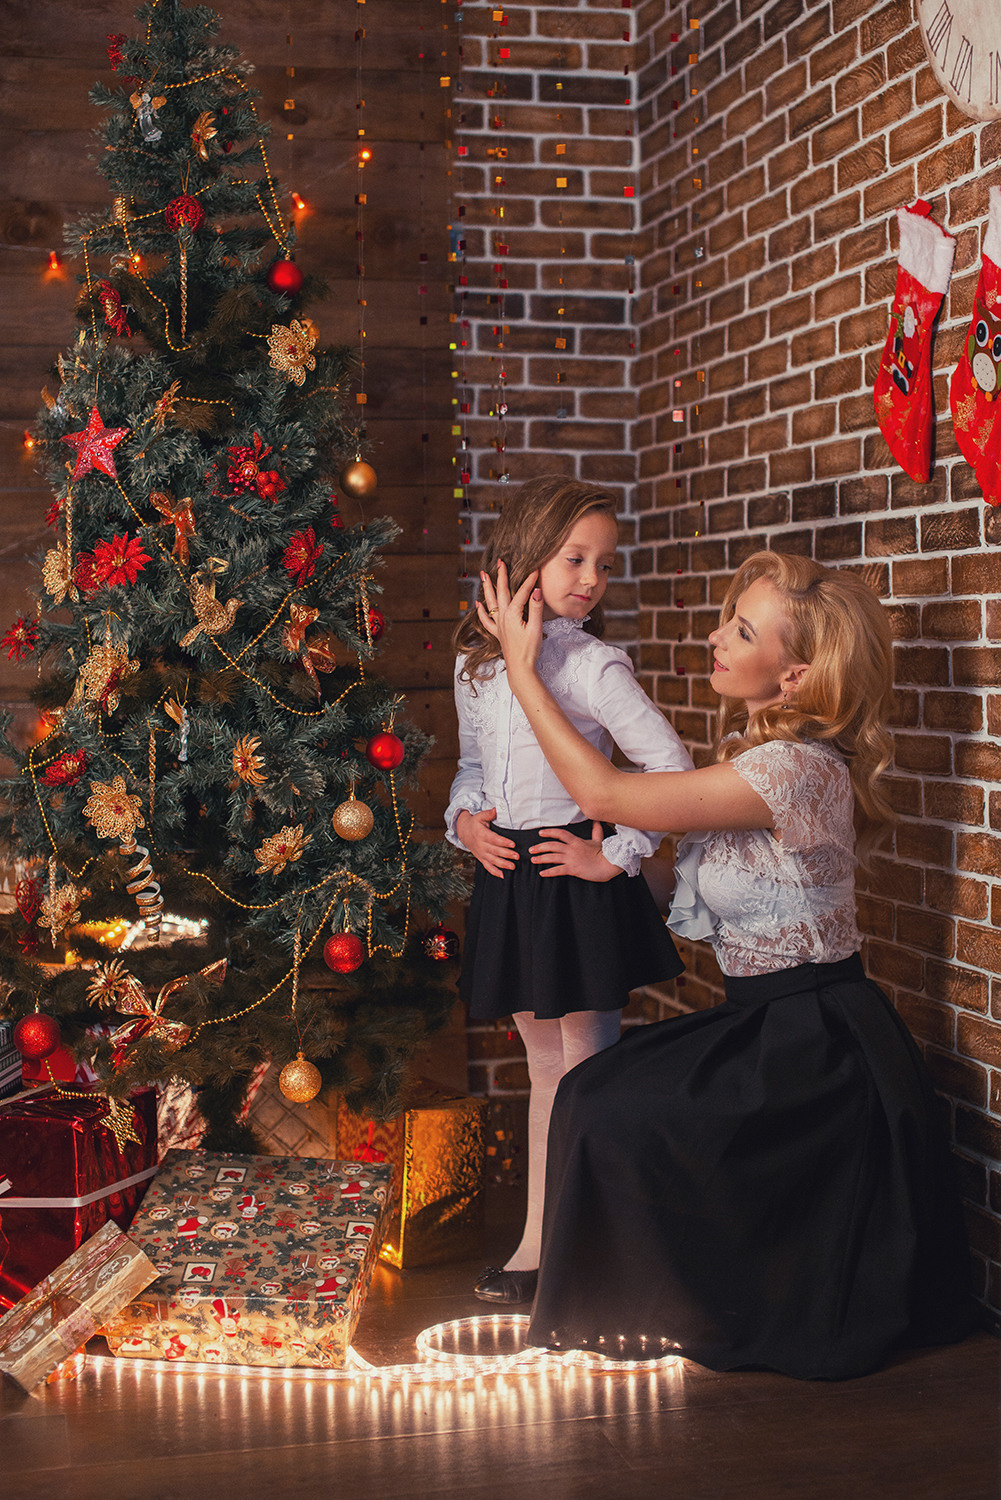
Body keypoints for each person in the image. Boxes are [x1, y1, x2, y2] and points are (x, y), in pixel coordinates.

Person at [478, 549, 977, 1379]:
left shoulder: (792, 770)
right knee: (593, 1091)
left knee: (611, 1108)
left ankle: (688, 1302)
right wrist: (606, 868)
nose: (714, 637)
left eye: (740, 631)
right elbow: (668, 863)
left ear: (794, 678)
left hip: (819, 1048)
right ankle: (668, 1298)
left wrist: (524, 672)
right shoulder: (754, 755)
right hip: (765, 1024)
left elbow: (604, 794)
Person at [446, 477, 694, 1305]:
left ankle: (599, 1251)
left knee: (587, 1070)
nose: (590, 577)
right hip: (513, 879)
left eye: (603, 563)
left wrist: (617, 855)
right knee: (545, 1070)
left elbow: (671, 772)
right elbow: (473, 769)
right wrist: (465, 826)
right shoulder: (476, 667)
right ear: (520, 557)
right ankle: (539, 1247)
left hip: (572, 878)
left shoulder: (592, 666)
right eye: (573, 557)